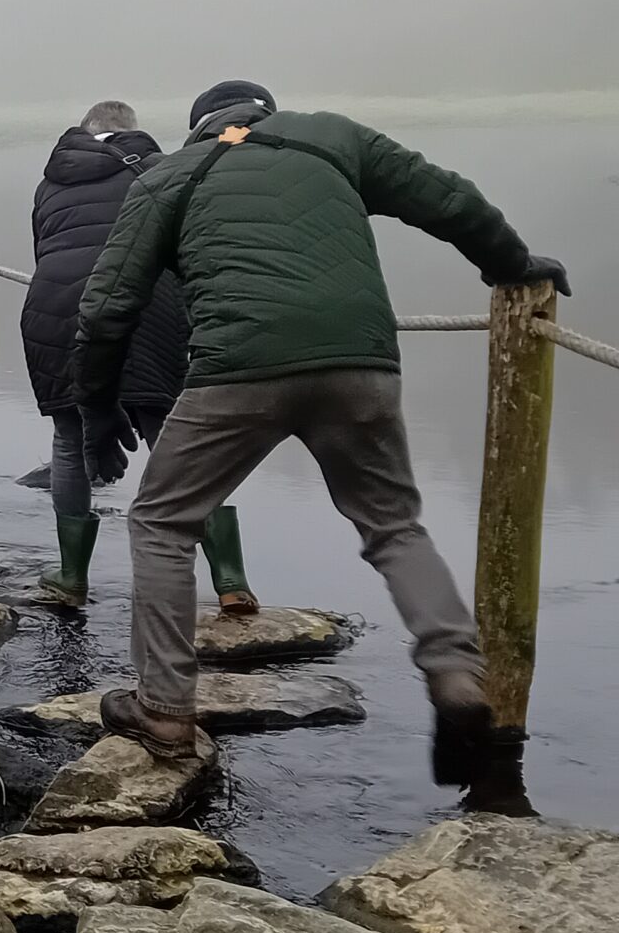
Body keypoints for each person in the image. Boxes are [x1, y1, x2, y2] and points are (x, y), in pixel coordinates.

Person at [78, 79, 568, 759]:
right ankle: (456, 674)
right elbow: (447, 199)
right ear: (266, 112)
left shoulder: (172, 176)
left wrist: (98, 412)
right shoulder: (333, 136)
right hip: (360, 365)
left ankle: (162, 709)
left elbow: (106, 309)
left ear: (198, 127)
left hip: (235, 369)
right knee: (394, 525)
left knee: (162, 522)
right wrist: (513, 265)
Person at [20, 99, 257, 613]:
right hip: (147, 305)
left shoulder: (50, 182)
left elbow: (44, 248)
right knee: (175, 437)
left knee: (69, 435)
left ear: (85, 133)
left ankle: (71, 577)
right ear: (134, 131)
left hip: (56, 309)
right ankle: (230, 579)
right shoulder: (161, 170)